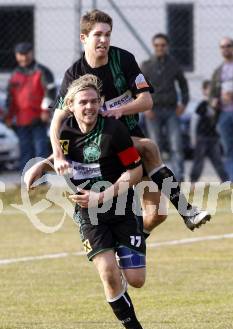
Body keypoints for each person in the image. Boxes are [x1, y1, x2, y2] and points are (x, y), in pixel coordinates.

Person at [26, 10, 211, 233]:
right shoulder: (74, 74)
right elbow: (57, 117)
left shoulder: (123, 60)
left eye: (107, 34)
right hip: (97, 143)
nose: (104, 40)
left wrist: (120, 109)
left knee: (157, 214)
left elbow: (146, 101)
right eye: (97, 35)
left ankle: (131, 247)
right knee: (149, 147)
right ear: (84, 38)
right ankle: (187, 210)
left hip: (128, 134)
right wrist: (56, 154)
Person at [25, 74, 150, 329]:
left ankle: (125, 262)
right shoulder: (66, 132)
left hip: (121, 206)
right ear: (71, 105)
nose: (90, 107)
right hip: (88, 212)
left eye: (94, 101)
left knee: (137, 280)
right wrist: (41, 166)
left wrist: (102, 195)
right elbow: (60, 157)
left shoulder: (113, 131)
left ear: (100, 102)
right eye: (83, 102)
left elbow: (136, 171)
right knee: (108, 273)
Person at [141, 33, 189, 183]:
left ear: (167, 46)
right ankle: (158, 177)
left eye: (162, 45)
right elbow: (139, 88)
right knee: (155, 146)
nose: (160, 48)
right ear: (153, 46)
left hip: (171, 111)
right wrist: (144, 108)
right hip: (152, 111)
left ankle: (179, 178)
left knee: (176, 145)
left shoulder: (175, 65)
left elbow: (184, 86)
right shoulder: (146, 65)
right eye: (157, 45)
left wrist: (183, 104)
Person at [5, 42, 57, 172]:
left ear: (32, 53)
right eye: (20, 55)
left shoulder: (42, 71)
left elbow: (50, 91)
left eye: (26, 54)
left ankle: (41, 181)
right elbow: (10, 98)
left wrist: (46, 111)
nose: (23, 58)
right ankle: (26, 182)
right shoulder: (15, 75)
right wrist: (9, 116)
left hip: (39, 119)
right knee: (25, 151)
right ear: (16, 56)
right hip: (21, 120)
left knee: (40, 151)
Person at [190, 80, 229, 184]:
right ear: (204, 91)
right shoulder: (202, 104)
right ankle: (193, 182)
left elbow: (219, 119)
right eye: (209, 89)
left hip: (213, 138)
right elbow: (196, 118)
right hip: (201, 137)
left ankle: (226, 181)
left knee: (218, 162)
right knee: (199, 162)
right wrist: (193, 138)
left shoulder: (218, 105)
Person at [210, 37, 233, 182]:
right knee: (228, 150)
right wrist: (214, 100)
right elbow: (212, 93)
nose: (225, 49)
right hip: (224, 114)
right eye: (222, 46)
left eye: (228, 46)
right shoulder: (218, 71)